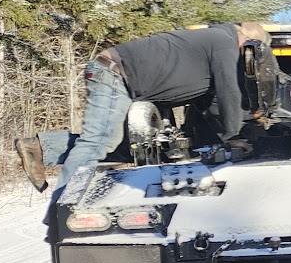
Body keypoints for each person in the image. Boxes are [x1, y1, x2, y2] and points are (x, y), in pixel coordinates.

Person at [16, 21, 270, 192]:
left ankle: (42, 147)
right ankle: (63, 205)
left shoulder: (216, 42)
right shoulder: (225, 41)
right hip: (115, 73)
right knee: (97, 142)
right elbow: (229, 90)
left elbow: (214, 103)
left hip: (123, 80)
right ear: (248, 42)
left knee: (120, 146)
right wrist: (233, 135)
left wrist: (232, 132)